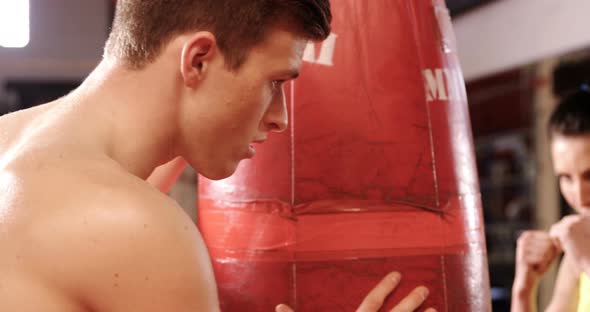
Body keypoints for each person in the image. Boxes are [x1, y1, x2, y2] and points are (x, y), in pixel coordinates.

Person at [0, 1, 436, 311]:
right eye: (275, 82)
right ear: (199, 60)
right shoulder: (137, 229)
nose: (280, 117)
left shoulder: (16, 144)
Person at [512, 89, 590, 312]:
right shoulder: (580, 250)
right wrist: (524, 289)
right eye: (566, 177)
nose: (581, 197)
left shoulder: (584, 250)